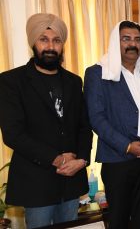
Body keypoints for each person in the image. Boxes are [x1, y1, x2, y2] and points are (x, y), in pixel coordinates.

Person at [0, 13, 92, 228]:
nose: (50, 46)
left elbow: (84, 126)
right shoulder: (11, 81)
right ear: (33, 42)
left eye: (56, 40)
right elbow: (13, 134)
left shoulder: (73, 81)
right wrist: (57, 159)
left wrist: (82, 160)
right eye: (44, 39)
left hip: (71, 180)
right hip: (36, 183)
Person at [84, 21, 140, 229]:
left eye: (137, 39)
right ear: (115, 42)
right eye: (126, 39)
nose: (133, 44)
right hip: (118, 160)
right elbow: (97, 119)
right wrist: (128, 146)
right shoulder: (98, 73)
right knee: (119, 221)